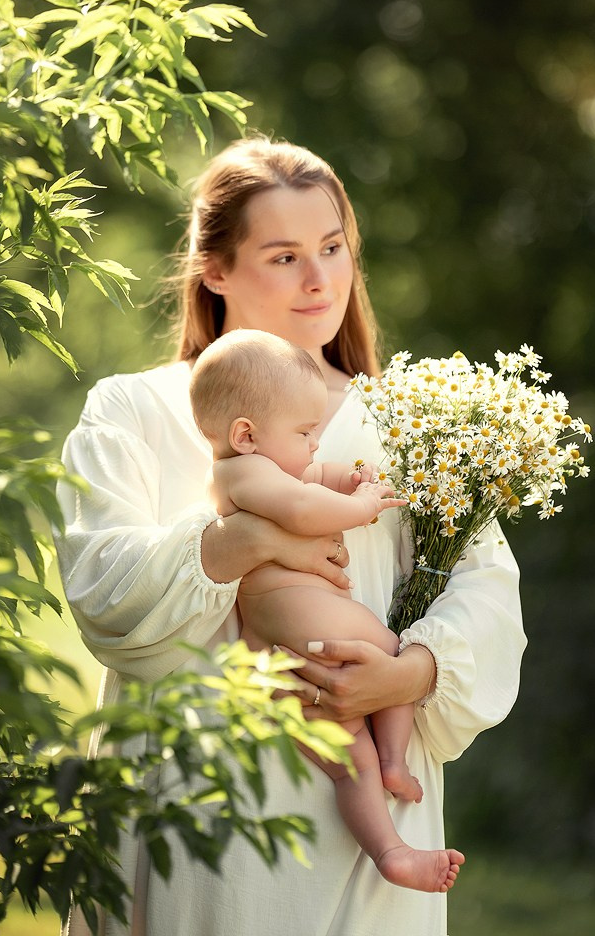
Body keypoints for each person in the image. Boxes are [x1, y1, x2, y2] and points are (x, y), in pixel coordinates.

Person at [56, 134, 527, 936]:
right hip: (202, 812)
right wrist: (254, 541)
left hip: (372, 810)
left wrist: (406, 676)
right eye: (283, 256)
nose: (320, 280)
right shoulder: (134, 409)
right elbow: (104, 591)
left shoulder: (410, 419)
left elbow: (487, 595)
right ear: (215, 270)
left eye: (333, 247)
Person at [189, 327, 464, 894]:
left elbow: (316, 480)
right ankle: (393, 757)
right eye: (306, 432)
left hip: (285, 649)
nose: (315, 445)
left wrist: (351, 478)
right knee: (395, 655)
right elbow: (303, 505)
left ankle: (390, 850)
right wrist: (360, 505)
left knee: (346, 761)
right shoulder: (242, 474)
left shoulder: (267, 466)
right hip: (306, 624)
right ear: (246, 434)